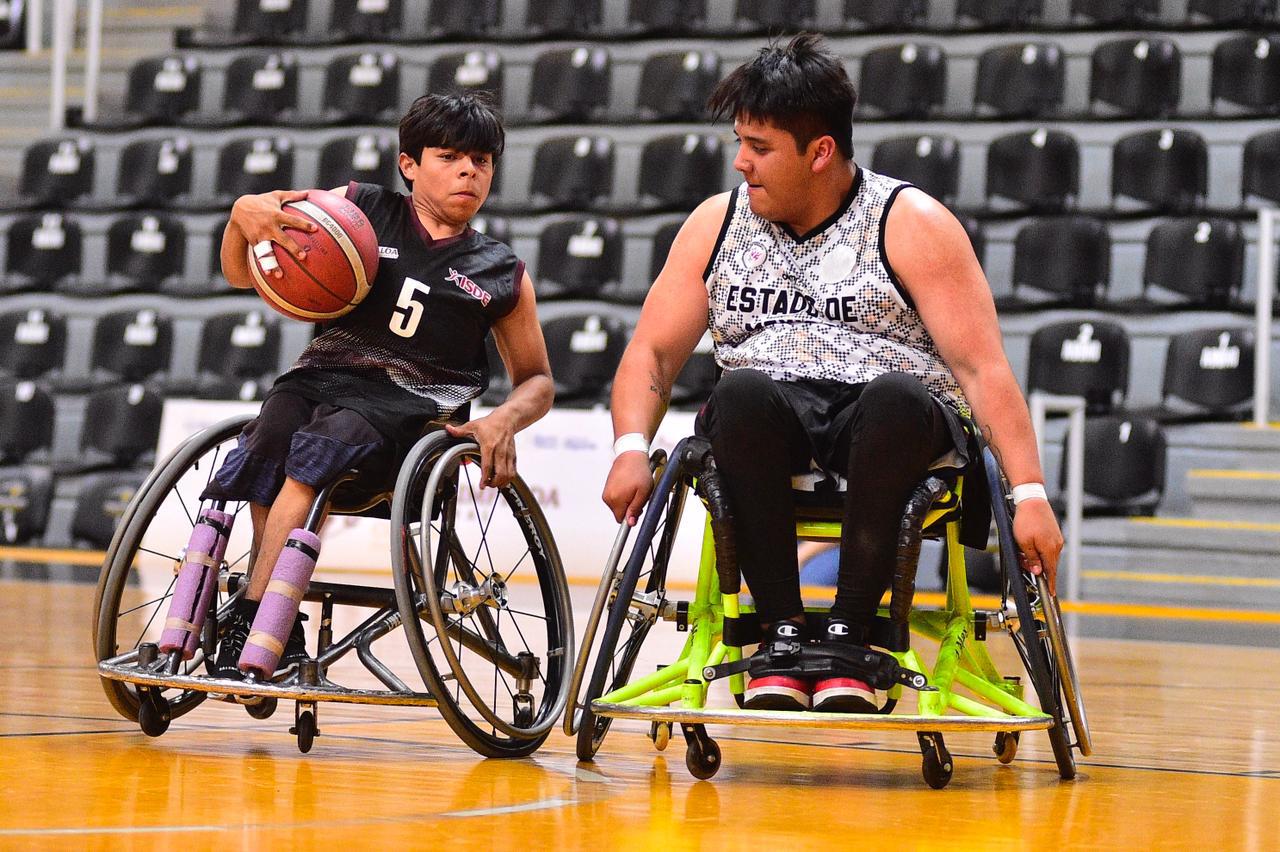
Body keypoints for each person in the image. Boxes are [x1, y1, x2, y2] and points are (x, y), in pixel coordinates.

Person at [601, 34, 1063, 713]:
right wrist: (628, 448)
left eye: (760, 148)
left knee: (896, 398)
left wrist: (1029, 493)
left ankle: (851, 633)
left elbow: (980, 368)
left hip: (892, 424)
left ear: (819, 152)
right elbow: (653, 353)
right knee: (739, 393)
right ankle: (781, 635)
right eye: (740, 142)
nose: (741, 162)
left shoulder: (911, 223)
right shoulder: (716, 224)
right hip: (769, 419)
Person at [204, 92, 554, 679]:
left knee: (321, 445)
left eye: (482, 161)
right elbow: (242, 272)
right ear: (408, 164)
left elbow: (538, 380)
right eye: (449, 157)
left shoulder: (501, 271)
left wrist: (503, 419)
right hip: (322, 379)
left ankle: (254, 611)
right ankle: (269, 618)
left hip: (411, 411)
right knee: (273, 432)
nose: (469, 172)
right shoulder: (355, 210)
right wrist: (243, 215)